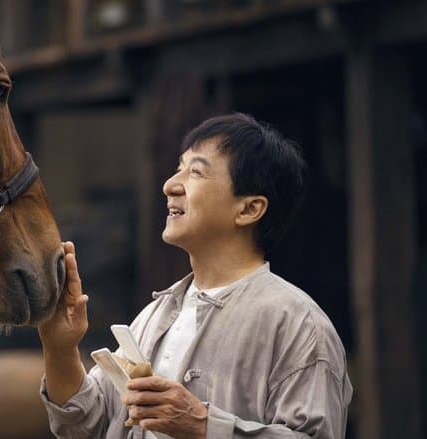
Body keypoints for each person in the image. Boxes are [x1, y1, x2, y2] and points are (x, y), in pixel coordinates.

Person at [37, 113, 353, 438]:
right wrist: (60, 349)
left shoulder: (300, 326)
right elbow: (85, 427)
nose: (170, 185)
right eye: (179, 168)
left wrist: (201, 425)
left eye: (196, 172)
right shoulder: (155, 316)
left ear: (249, 209)